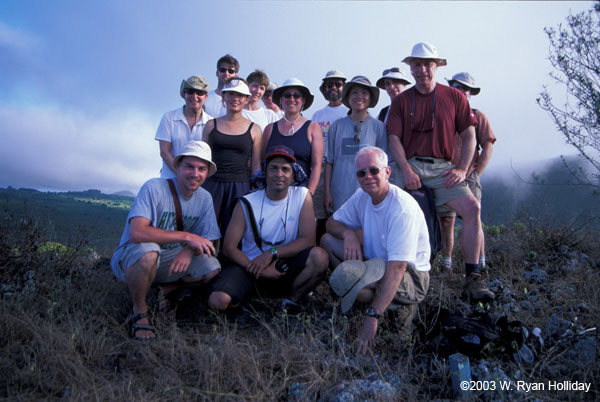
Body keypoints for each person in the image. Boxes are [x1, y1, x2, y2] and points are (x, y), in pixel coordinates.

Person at [385, 42, 494, 301]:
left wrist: (462, 168)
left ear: (436, 66)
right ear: (410, 69)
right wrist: (406, 169)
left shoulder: (454, 97)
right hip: (410, 164)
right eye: (417, 65)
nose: (422, 69)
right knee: (392, 208)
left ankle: (473, 276)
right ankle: (394, 269)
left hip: (442, 168)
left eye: (427, 64)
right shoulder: (401, 101)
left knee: (472, 209)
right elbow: (394, 139)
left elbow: (469, 135)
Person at [321, 146, 430, 354]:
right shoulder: (361, 196)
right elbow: (331, 224)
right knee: (328, 241)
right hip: (375, 263)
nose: (367, 177)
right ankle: (378, 297)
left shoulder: (402, 208)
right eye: (361, 173)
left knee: (360, 291)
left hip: (410, 275)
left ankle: (397, 308)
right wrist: (348, 234)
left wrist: (372, 317)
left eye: (374, 170)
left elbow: (398, 267)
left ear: (387, 172)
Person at [110, 141, 221, 339]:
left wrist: (189, 250)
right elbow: (137, 233)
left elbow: (209, 238)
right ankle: (140, 311)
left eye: (201, 169)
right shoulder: (154, 188)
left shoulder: (204, 198)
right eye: (189, 166)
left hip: (169, 257)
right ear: (177, 167)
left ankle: (166, 291)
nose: (195, 174)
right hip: (133, 257)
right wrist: (187, 237)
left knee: (212, 267)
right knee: (149, 251)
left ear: (207, 173)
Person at [207, 145, 329, 315]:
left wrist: (271, 253)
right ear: (265, 172)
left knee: (319, 257)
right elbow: (229, 248)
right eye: (273, 168)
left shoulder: (302, 196)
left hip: (283, 266)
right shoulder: (247, 202)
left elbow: (308, 240)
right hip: (249, 267)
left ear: (293, 173)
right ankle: (245, 306)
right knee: (218, 301)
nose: (279, 174)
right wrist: (257, 269)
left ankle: (290, 303)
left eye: (285, 169)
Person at [438, 72, 496, 274]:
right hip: (446, 174)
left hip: (468, 175)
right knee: (447, 220)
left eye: (466, 89)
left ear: (471, 93)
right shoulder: (443, 114)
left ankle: (480, 263)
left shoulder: (477, 115)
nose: (461, 91)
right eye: (457, 86)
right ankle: (447, 263)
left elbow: (488, 145)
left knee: (474, 218)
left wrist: (476, 172)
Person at [202, 78, 262, 237]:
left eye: (240, 95)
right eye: (230, 94)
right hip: (212, 184)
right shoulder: (210, 125)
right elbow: (203, 160)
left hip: (240, 186)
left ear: (247, 99)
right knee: (206, 230)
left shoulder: (254, 129)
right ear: (223, 96)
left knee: (234, 234)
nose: (235, 98)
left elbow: (256, 166)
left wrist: (254, 192)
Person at [324, 75, 387, 212]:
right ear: (347, 97)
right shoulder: (336, 126)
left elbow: (384, 166)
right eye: (355, 92)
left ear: (370, 98)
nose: (360, 96)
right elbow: (329, 162)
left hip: (369, 196)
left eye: (364, 93)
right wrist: (327, 193)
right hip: (339, 195)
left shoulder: (378, 127)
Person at [263, 78, 324, 196]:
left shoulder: (313, 128)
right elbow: (263, 163)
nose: (292, 99)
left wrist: (308, 194)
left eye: (296, 96)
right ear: (281, 100)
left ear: (303, 101)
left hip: (301, 192)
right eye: (287, 95)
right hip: (273, 193)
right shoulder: (269, 129)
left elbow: (317, 166)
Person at [311, 70, 349, 238]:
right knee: (321, 214)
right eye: (329, 84)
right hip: (320, 172)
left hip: (342, 171)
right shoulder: (317, 115)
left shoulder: (349, 112)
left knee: (342, 215)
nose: (333, 87)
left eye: (337, 84)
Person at [155, 75, 212, 178]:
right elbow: (164, 152)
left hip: (197, 183)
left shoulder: (211, 122)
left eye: (199, 92)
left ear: (206, 96)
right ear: (184, 94)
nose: (194, 96)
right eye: (190, 91)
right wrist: (181, 174)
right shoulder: (168, 117)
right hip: (169, 179)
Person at [204, 54, 240, 118]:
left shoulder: (239, 101)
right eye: (223, 70)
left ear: (236, 75)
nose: (226, 73)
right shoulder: (205, 98)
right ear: (217, 73)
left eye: (231, 71)